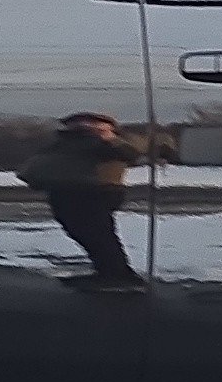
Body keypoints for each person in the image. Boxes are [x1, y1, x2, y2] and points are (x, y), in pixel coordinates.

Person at [15, 111, 144, 290]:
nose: (81, 125)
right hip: (63, 191)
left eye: (87, 122)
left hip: (93, 192)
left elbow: (129, 152)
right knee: (82, 232)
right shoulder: (64, 142)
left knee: (97, 234)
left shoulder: (105, 141)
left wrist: (108, 138)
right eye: (75, 123)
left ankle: (118, 275)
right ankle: (107, 271)